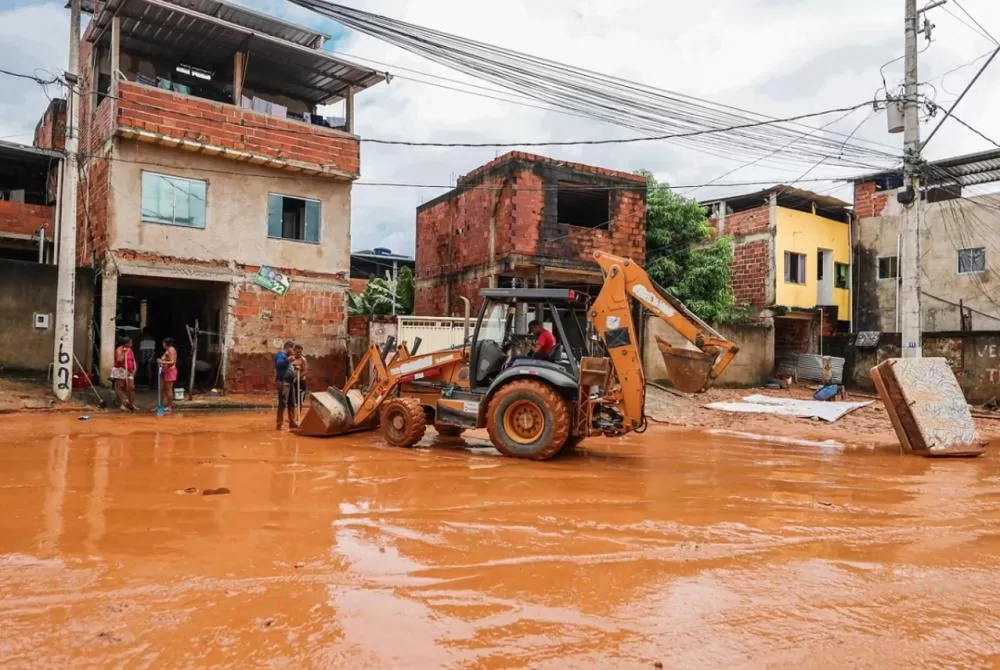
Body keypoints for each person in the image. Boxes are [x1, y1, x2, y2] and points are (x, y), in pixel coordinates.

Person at [275, 340, 298, 430]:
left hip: (290, 383)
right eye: (293, 349)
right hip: (283, 382)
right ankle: (279, 424)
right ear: (288, 348)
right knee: (283, 403)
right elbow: (279, 364)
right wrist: (288, 360)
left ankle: (292, 422)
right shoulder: (280, 355)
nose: (294, 351)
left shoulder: (288, 357)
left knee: (292, 403)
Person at [111, 337, 137, 411]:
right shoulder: (119, 349)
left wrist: (134, 369)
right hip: (120, 370)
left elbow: (133, 360)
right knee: (120, 387)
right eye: (130, 342)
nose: (132, 343)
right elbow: (119, 360)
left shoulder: (130, 349)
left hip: (130, 371)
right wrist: (124, 352)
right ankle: (121, 405)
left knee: (131, 387)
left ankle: (131, 404)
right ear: (126, 343)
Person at [157, 337, 178, 413]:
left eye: (163, 343)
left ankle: (169, 406)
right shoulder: (168, 350)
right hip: (165, 371)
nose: (162, 344)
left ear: (166, 343)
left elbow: (172, 361)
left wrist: (162, 362)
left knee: (168, 389)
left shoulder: (171, 350)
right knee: (162, 389)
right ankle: (161, 405)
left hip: (170, 371)